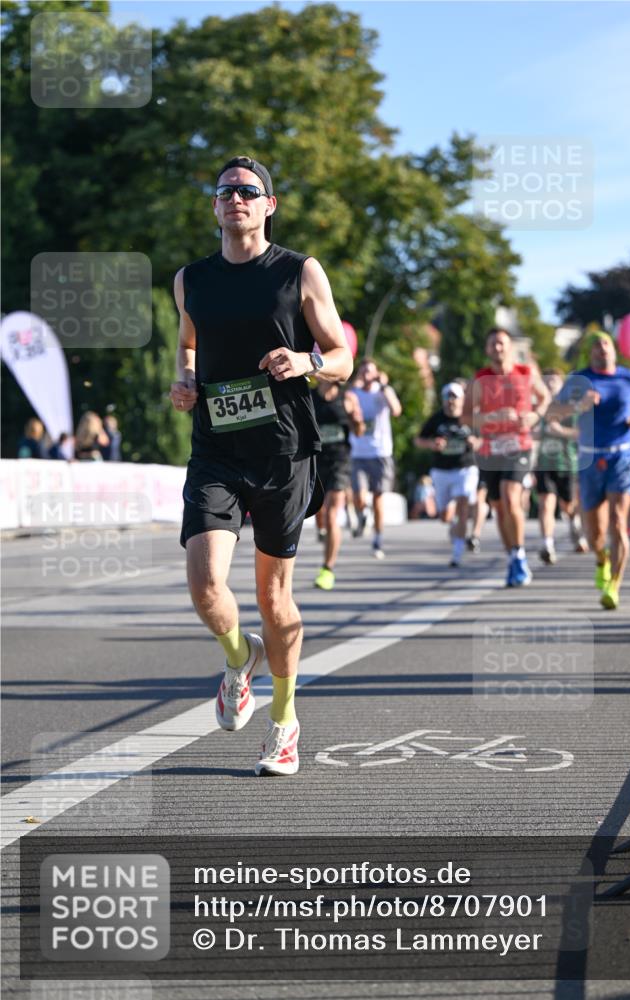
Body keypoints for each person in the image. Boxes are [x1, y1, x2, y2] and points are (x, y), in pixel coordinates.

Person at [170, 154, 352, 776]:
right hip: (217, 446)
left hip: (283, 449)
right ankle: (235, 655)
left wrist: (306, 363)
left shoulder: (299, 271)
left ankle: (283, 724)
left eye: (248, 190)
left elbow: (342, 355)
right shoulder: (190, 278)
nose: (235, 198)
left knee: (275, 599)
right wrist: (185, 379)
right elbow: (189, 344)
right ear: (216, 205)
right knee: (204, 584)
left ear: (268, 204)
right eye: (224, 191)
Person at [548, 331, 630, 609]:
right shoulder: (579, 379)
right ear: (590, 353)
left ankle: (614, 586)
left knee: (618, 522)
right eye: (596, 345)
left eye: (606, 343)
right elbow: (552, 413)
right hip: (591, 459)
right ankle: (601, 559)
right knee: (594, 533)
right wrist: (578, 405)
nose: (602, 349)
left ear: (613, 349)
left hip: (622, 456)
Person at [463, 328, 550, 587]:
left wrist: (534, 416)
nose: (498, 348)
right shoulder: (480, 379)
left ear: (511, 347)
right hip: (491, 450)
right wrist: (491, 417)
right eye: (493, 344)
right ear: (487, 350)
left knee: (511, 496)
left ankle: (521, 553)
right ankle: (513, 556)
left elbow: (544, 398)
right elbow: (466, 416)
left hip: (519, 445)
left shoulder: (526, 373)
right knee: (499, 507)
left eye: (501, 343)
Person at [415, 382, 480, 567]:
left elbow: (483, 439)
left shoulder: (470, 419)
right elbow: (419, 440)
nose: (451, 401)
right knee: (445, 516)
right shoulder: (436, 419)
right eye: (447, 397)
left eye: (454, 397)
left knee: (463, 503)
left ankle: (457, 551)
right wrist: (431, 444)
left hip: (465, 468)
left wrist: (475, 441)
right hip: (441, 470)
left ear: (461, 400)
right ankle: (454, 527)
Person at [311, 378, 364, 590]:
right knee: (319, 510)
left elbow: (359, 431)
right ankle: (322, 529)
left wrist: (357, 420)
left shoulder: (348, 398)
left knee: (333, 514)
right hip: (314, 460)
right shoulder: (309, 396)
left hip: (340, 460)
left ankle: (327, 568)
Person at [348, 358, 402, 559]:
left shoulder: (383, 392)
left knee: (379, 498)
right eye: (363, 372)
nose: (367, 375)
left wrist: (385, 385)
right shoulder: (354, 394)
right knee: (359, 497)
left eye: (370, 371)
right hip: (359, 452)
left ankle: (378, 539)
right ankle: (364, 513)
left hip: (381, 453)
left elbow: (396, 410)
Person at [534, 368, 588, 564]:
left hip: (566, 463)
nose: (549, 385)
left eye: (553, 382)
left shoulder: (569, 409)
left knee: (568, 505)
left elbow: (580, 433)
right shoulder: (538, 409)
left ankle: (575, 525)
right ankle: (547, 544)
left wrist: (559, 430)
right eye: (546, 382)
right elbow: (531, 433)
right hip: (543, 464)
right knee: (546, 504)